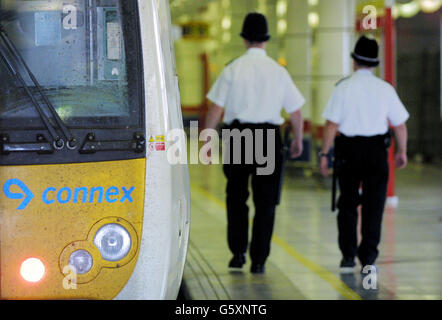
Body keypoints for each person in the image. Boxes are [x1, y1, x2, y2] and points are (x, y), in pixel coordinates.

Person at [204, 12, 305, 274]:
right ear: (266, 40)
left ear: (245, 39)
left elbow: (216, 108)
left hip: (238, 138)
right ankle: (259, 260)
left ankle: (237, 254)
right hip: (269, 139)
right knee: (266, 202)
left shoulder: (232, 69)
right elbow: (295, 112)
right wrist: (297, 140)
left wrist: (206, 140)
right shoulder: (278, 72)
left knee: (236, 197)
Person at [319, 35, 409, 273]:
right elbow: (399, 125)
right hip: (376, 152)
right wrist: (402, 151)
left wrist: (324, 154)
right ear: (375, 63)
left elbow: (331, 125)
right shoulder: (385, 89)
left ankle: (348, 256)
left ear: (354, 61)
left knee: (347, 203)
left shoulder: (343, 87)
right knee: (374, 205)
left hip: (348, 151)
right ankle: (368, 256)